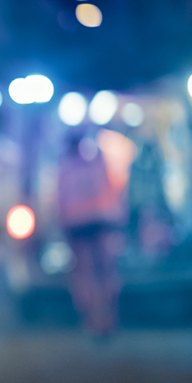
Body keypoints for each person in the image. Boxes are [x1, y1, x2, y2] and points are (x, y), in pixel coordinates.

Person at [57, 131, 126, 337]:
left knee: (84, 273)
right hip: (100, 222)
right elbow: (111, 191)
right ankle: (109, 318)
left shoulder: (65, 169)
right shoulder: (96, 164)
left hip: (76, 226)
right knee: (105, 270)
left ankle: (91, 320)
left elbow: (59, 201)